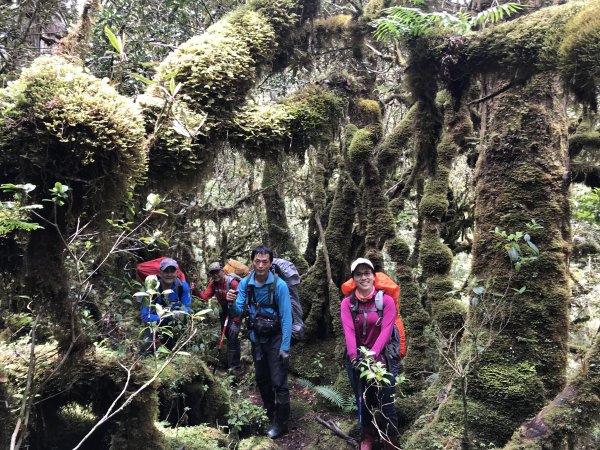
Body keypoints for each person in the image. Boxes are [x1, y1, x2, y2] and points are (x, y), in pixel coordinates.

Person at [227, 245, 292, 439]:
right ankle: (269, 413)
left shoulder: (279, 285)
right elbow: (238, 311)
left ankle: (281, 423)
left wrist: (285, 347)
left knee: (278, 381)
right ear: (252, 262)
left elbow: (287, 317)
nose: (261, 265)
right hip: (256, 338)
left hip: (276, 339)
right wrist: (231, 302)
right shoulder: (246, 284)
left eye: (265, 262)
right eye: (257, 261)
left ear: (271, 263)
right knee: (262, 379)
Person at [341, 258, 399, 450]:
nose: (363, 277)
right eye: (359, 274)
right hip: (356, 358)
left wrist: (372, 356)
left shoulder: (387, 301)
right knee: (362, 399)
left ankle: (390, 440)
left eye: (367, 273)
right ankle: (367, 437)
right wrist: (354, 358)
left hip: (383, 359)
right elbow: (348, 331)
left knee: (386, 401)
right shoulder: (347, 304)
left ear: (374, 276)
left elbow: (386, 331)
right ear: (353, 278)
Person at [197, 261, 242, 375]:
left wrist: (236, 319)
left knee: (232, 336)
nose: (215, 275)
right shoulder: (213, 284)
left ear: (223, 271)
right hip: (224, 312)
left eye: (217, 272)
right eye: (212, 273)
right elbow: (205, 297)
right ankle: (233, 363)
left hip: (236, 312)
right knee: (227, 335)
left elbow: (242, 302)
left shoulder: (233, 283)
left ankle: (235, 368)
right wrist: (195, 291)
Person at [140, 258, 192, 352]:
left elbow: (187, 308)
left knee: (179, 346)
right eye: (166, 271)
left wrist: (180, 312)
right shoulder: (151, 289)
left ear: (177, 273)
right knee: (146, 347)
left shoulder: (182, 287)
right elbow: (145, 315)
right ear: (160, 273)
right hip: (155, 324)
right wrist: (164, 318)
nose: (169, 274)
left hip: (175, 324)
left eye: (172, 271)